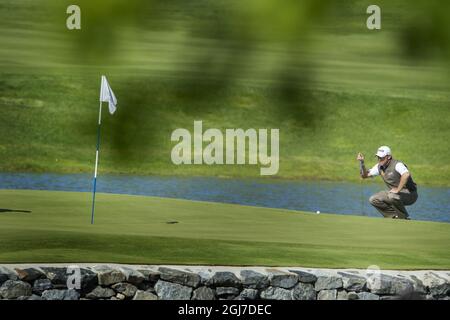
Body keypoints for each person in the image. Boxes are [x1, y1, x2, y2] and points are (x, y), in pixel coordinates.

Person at [357, 146, 418, 219]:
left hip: (410, 194)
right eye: (378, 157)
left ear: (389, 157)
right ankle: (394, 216)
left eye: (381, 158)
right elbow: (364, 176)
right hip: (394, 194)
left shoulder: (397, 164)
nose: (379, 160)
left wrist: (398, 190)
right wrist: (362, 163)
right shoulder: (379, 166)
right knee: (373, 199)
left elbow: (406, 174)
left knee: (392, 196)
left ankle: (403, 217)